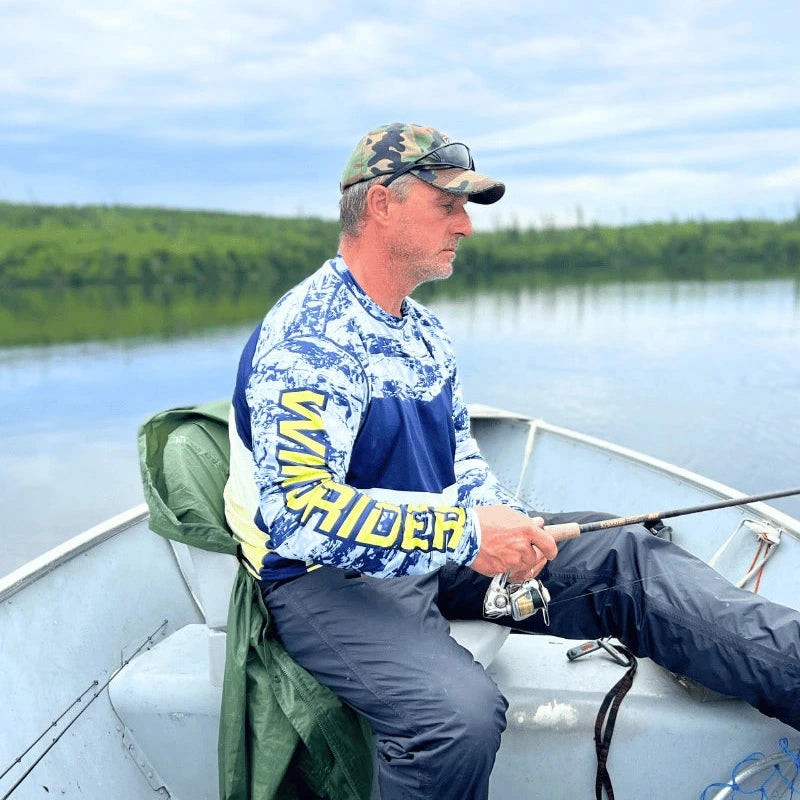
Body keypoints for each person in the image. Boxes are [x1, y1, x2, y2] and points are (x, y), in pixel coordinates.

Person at [224, 122, 800, 799]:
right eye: (450, 204)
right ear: (382, 204)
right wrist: (467, 536)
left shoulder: (423, 330)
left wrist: (506, 523)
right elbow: (299, 516)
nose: (466, 226)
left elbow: (459, 459)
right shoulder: (309, 336)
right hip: (327, 577)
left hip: (437, 552)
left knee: (625, 555)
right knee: (454, 718)